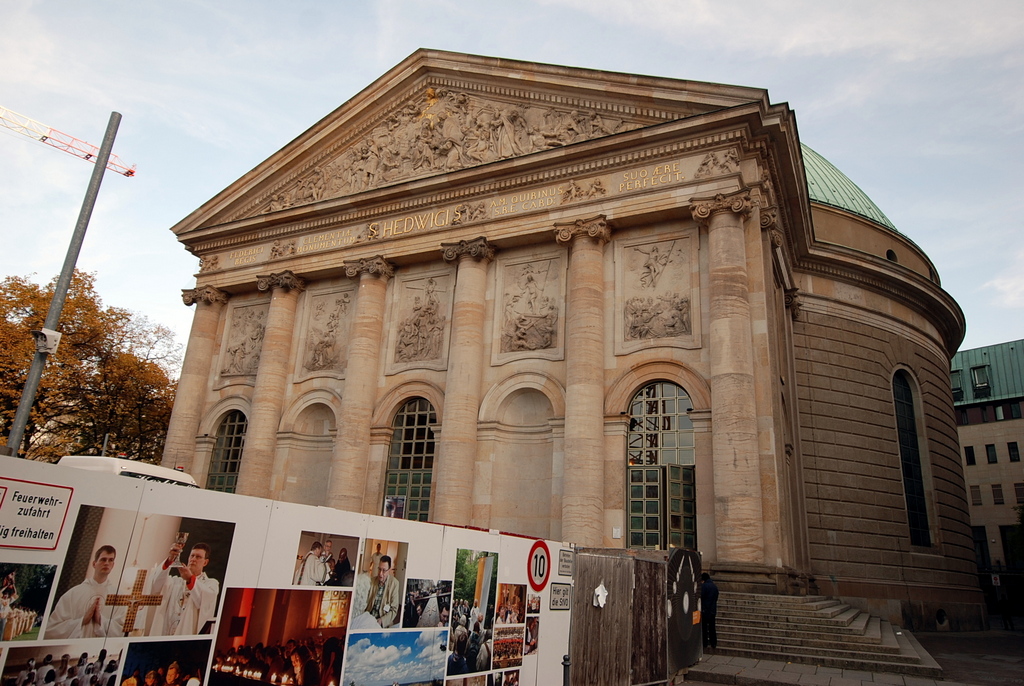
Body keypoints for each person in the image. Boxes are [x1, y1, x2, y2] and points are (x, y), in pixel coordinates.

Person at [46, 546, 125, 638]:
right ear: (94, 564)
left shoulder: (119, 596)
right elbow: (51, 629)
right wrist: (83, 620)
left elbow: (122, 631)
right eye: (103, 559)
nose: (107, 563)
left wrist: (100, 620)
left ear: (113, 565)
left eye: (110, 560)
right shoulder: (73, 593)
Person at [151, 542, 220, 635]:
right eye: (192, 556)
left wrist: (190, 579)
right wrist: (169, 560)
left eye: (198, 557)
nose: (193, 559)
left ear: (205, 562)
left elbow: (203, 601)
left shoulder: (211, 584)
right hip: (166, 634)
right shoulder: (175, 582)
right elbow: (156, 584)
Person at [363, 555, 400, 628]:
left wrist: (381, 621)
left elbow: (394, 610)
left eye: (384, 570)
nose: (380, 573)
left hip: (382, 621)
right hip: (369, 618)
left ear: (389, 570)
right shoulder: (372, 581)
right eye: (379, 569)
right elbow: (365, 602)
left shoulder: (395, 584)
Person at [700, 572, 719, 650]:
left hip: (705, 609)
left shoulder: (704, 586)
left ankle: (705, 643)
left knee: (704, 628)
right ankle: (713, 643)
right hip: (712, 610)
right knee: (712, 627)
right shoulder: (715, 587)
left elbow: (701, 596)